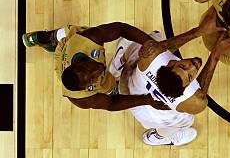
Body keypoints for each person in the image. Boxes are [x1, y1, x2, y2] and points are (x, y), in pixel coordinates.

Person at [111, 8, 230, 146]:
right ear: (187, 88)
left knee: (151, 41)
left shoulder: (151, 56)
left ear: (170, 64)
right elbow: (200, 93)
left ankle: (116, 67)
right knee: (183, 121)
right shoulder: (195, 101)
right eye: (190, 76)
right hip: (152, 116)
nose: (193, 66)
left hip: (129, 91)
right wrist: (215, 53)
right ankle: (157, 138)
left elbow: (161, 48)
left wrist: (199, 32)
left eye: (183, 66)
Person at [22, 22, 167, 111]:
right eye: (91, 79)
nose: (96, 72)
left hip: (66, 47)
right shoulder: (81, 98)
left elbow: (121, 28)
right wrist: (146, 100)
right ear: (86, 87)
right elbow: (110, 104)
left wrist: (150, 43)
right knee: (109, 87)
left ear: (78, 63)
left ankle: (44, 38)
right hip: (64, 70)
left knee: (65, 34)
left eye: (89, 69)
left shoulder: (88, 40)